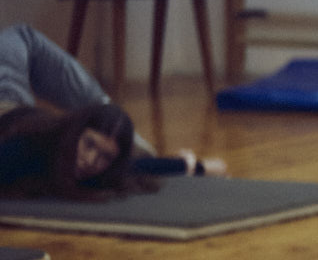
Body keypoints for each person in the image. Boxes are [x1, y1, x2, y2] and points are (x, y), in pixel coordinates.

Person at [0, 23, 224, 199]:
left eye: (104, 157)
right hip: (7, 91)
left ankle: (113, 121)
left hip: (15, 103)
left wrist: (196, 166)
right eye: (89, 144)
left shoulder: (99, 169)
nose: (90, 160)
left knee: (106, 121)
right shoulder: (28, 150)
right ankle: (111, 116)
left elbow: (135, 167)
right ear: (76, 133)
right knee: (22, 36)